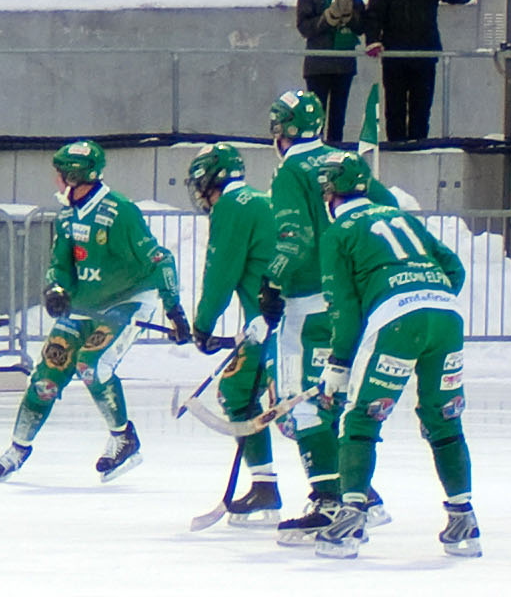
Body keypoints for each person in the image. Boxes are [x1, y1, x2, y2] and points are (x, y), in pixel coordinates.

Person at [305, 156, 482, 558]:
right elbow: (453, 268)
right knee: (444, 417)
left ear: (330, 194)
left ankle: (351, 518)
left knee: (362, 418)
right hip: (447, 316)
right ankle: (463, 519)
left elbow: (343, 308)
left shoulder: (337, 233)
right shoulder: (399, 216)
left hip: (398, 321)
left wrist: (338, 365)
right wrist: (428, 297)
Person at [0, 139, 177, 483]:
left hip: (127, 301)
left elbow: (160, 259)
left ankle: (124, 437)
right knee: (47, 375)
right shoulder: (66, 215)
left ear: (73, 177)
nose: (55, 181)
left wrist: (174, 308)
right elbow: (60, 265)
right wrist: (56, 288)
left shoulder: (120, 211)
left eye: (59, 174)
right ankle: (17, 448)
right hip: (84, 304)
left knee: (92, 364)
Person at [175, 143, 288, 528]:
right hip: (280, 318)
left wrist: (203, 324)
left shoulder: (232, 206)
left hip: (278, 323)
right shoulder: (263, 200)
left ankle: (348, 493)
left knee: (288, 406)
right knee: (241, 389)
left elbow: (221, 272)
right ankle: (266, 487)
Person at [253, 87, 342, 541]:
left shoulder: (291, 170)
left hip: (307, 302)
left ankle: (329, 501)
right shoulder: (343, 161)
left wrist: (272, 280)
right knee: (336, 397)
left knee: (301, 401)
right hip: (348, 300)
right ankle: (358, 492)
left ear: (282, 130)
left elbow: (295, 236)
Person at [357, 0, 472, 149]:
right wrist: (372, 40)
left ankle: (419, 147)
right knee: (395, 108)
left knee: (421, 108)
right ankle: (397, 147)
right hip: (395, 57)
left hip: (425, 55)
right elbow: (374, 15)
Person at [293, 0, 365, 147]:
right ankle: (315, 148)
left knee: (338, 116)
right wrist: (327, 19)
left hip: (343, 62)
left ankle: (336, 148)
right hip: (318, 64)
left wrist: (350, 18)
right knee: (317, 113)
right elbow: (304, 28)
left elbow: (362, 25)